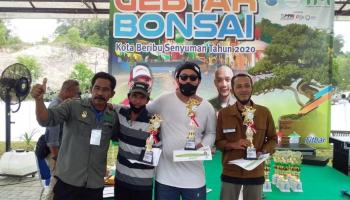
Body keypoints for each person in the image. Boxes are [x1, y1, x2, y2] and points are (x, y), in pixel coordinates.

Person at [31, 72, 119, 200]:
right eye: (97, 88)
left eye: (105, 90)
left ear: (112, 94)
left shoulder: (112, 116)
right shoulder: (73, 106)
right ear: (91, 89)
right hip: (68, 182)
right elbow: (45, 119)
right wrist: (39, 100)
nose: (100, 93)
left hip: (94, 185)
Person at [147, 62, 216, 200]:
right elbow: (141, 111)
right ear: (177, 79)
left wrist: (202, 145)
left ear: (199, 81)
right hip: (165, 176)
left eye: (193, 77)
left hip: (194, 177)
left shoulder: (207, 107)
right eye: (184, 77)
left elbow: (211, 133)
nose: (188, 81)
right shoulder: (163, 100)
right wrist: (115, 108)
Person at [215, 73, 277, 200]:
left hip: (255, 172)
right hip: (231, 171)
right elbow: (218, 141)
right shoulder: (224, 114)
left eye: (247, 86)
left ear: (252, 88)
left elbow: (273, 139)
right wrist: (233, 144)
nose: (244, 90)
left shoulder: (264, 112)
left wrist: (264, 151)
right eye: (239, 86)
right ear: (233, 91)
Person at [113, 81, 157, 200]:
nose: (137, 101)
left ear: (147, 100)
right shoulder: (120, 111)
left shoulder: (154, 122)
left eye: (142, 97)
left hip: (143, 183)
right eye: (134, 96)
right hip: (121, 180)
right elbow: (103, 104)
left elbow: (158, 150)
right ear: (129, 97)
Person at [41, 79, 81, 200]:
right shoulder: (57, 106)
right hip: (55, 154)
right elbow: (53, 138)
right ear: (68, 91)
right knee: (55, 185)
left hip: (60, 154)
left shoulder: (62, 104)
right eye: (77, 93)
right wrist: (56, 159)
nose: (78, 96)